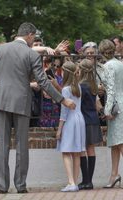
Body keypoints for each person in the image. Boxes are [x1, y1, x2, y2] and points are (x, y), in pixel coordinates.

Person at [0, 22, 76, 194]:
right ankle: (20, 185)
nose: (33, 40)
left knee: (2, 145)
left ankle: (2, 186)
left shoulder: (0, 49)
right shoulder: (31, 54)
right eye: (34, 37)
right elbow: (43, 81)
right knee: (21, 146)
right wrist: (63, 100)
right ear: (29, 35)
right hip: (22, 100)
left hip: (2, 100)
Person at [56, 61, 86, 192]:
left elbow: (64, 112)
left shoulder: (65, 89)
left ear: (65, 72)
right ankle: (75, 181)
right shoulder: (78, 87)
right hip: (80, 119)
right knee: (77, 153)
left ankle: (71, 182)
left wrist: (59, 129)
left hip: (70, 120)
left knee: (66, 151)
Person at [98, 39, 123, 188]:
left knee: (120, 143)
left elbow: (111, 90)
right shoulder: (120, 64)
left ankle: (114, 175)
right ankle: (114, 175)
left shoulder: (107, 66)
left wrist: (107, 110)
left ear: (101, 52)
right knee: (115, 142)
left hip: (116, 107)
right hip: (121, 103)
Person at [78, 59, 103, 190]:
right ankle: (90, 181)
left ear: (81, 70)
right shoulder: (93, 85)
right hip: (94, 119)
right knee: (91, 149)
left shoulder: (81, 86)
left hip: (84, 120)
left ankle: (85, 180)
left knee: (82, 149)